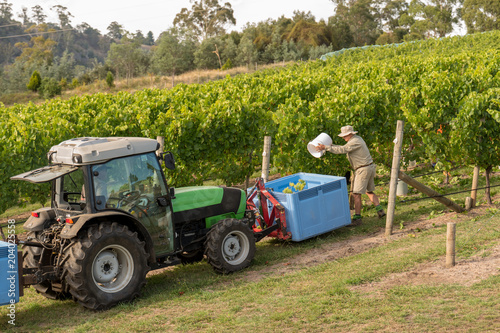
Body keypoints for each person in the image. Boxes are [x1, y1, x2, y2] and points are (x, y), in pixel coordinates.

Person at [316, 125, 385, 226]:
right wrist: (329, 147)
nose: (343, 138)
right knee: (369, 191)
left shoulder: (354, 141)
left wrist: (325, 147)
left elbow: (342, 150)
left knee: (356, 194)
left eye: (344, 136)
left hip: (362, 169)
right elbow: (343, 148)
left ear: (349, 134)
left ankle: (357, 219)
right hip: (368, 167)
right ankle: (380, 211)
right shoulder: (357, 139)